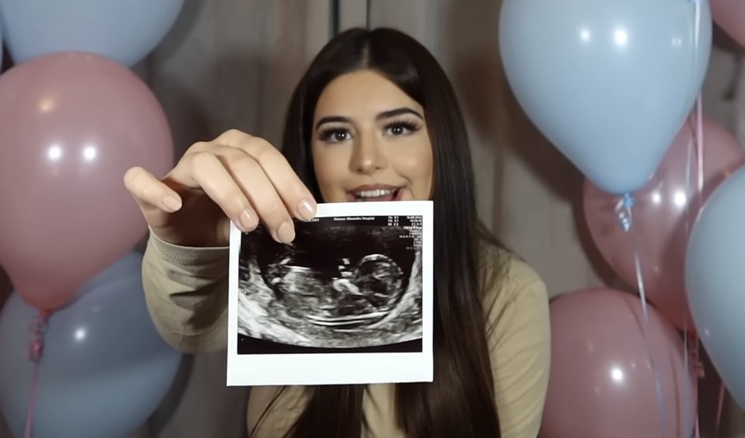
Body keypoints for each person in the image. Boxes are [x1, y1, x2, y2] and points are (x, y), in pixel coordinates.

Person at [124, 27, 551, 438]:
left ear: (442, 142)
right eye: (338, 134)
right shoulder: (280, 264)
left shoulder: (506, 290)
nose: (366, 160)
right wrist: (187, 245)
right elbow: (189, 327)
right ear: (309, 155)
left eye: (398, 127)